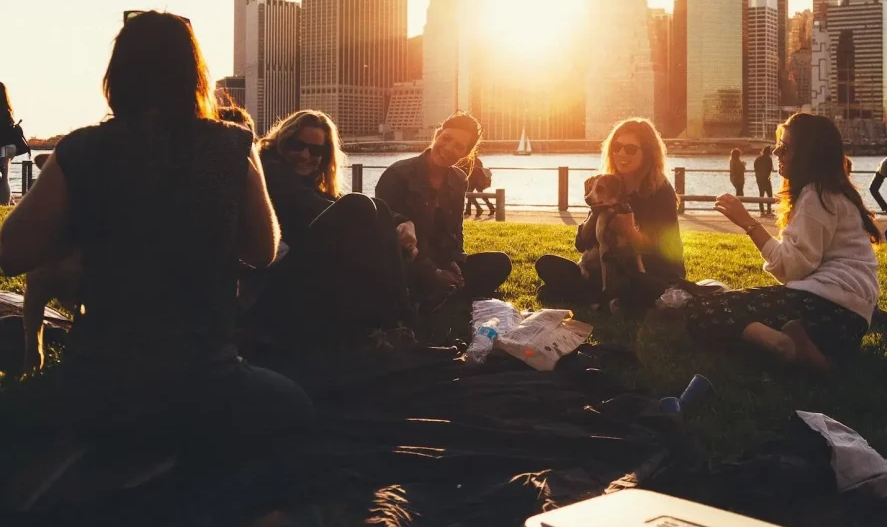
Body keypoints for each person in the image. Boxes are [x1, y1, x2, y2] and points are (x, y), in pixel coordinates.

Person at [0, 12, 314, 458]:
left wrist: (82, 229)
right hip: (204, 378)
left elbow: (11, 254)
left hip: (99, 382)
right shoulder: (233, 144)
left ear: (117, 76)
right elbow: (263, 251)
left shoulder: (81, 148)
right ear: (195, 74)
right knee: (295, 406)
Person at [685, 112, 880, 373]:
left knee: (702, 310)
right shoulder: (834, 193)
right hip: (850, 321)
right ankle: (815, 354)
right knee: (736, 308)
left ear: (808, 154)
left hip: (824, 306)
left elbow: (791, 268)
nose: (776, 152)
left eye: (785, 147)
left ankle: (783, 345)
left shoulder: (815, 195)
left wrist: (747, 223)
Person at [252, 111, 415, 349]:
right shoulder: (272, 172)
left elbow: (336, 202)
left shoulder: (308, 183)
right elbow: (324, 207)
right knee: (360, 207)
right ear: (281, 143)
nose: (305, 155)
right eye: (297, 146)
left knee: (375, 208)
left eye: (316, 150)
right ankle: (392, 322)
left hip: (305, 274)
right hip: (274, 282)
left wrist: (404, 222)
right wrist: (384, 229)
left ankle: (392, 323)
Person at [535, 118, 685, 312]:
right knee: (547, 264)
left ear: (647, 153)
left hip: (650, 273)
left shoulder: (660, 192)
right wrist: (594, 217)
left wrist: (631, 233)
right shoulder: (607, 185)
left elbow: (664, 252)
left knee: (639, 285)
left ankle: (592, 299)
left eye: (630, 149)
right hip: (608, 270)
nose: (621, 153)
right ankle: (605, 301)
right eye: (617, 146)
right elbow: (581, 244)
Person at [374, 113, 511, 309]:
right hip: (405, 263)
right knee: (402, 277)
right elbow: (388, 238)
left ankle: (443, 293)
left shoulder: (458, 179)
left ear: (465, 154)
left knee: (499, 262)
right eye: (446, 138)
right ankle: (437, 295)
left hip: (439, 259)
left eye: (459, 147)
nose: (448, 148)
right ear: (437, 134)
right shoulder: (397, 174)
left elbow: (456, 230)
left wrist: (454, 260)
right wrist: (434, 273)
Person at [0, 82, 28, 207]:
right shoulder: (8, 111)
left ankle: (5, 203)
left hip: (2, 147)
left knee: (4, 178)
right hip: (10, 148)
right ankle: (8, 201)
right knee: (5, 176)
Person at [753, 145, 774, 217]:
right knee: (769, 195)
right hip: (766, 179)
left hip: (759, 179)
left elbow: (755, 168)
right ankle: (769, 210)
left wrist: (758, 176)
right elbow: (770, 169)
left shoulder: (758, 159)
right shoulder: (769, 159)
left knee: (761, 195)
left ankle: (762, 211)